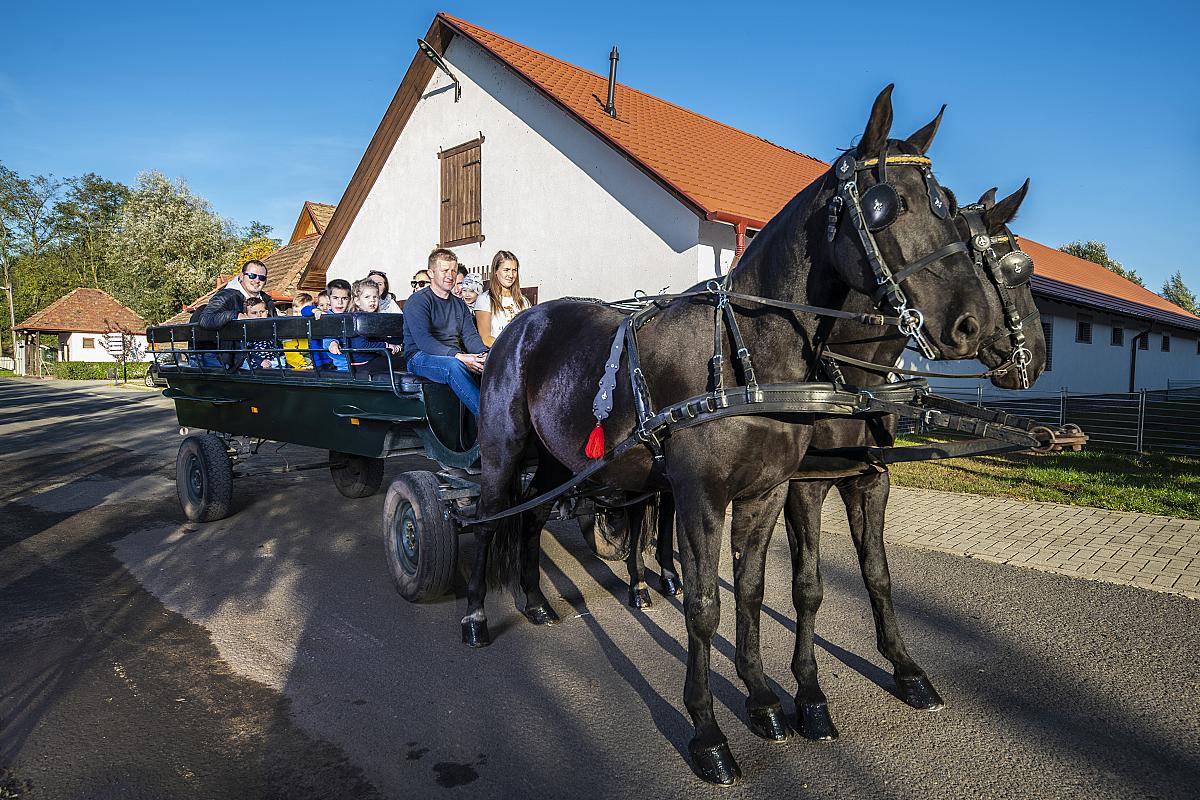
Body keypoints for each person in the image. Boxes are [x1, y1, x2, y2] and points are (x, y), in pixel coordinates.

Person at [402, 249, 488, 416]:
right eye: (444, 271)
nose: (450, 275)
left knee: (492, 362)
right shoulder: (418, 301)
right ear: (431, 273)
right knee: (453, 366)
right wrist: (458, 356)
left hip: (452, 354)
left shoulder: (459, 304)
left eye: (453, 270)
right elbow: (424, 341)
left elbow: (470, 336)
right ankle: (490, 421)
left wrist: (485, 355)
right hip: (420, 357)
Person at [344, 278, 403, 376]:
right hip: (363, 363)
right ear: (357, 301)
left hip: (369, 360)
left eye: (375, 297)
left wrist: (397, 343)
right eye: (367, 297)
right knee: (406, 361)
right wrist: (387, 345)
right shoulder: (359, 318)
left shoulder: (370, 318)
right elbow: (361, 346)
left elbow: (377, 338)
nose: (372, 300)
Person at [473, 250, 531, 346]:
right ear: (496, 271)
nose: (511, 275)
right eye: (506, 270)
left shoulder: (524, 301)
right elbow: (485, 338)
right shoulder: (485, 299)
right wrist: (510, 348)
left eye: (514, 270)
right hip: (499, 354)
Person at [197, 260, 278, 328]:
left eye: (262, 277)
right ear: (242, 276)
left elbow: (278, 329)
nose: (257, 280)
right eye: (252, 276)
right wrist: (235, 315)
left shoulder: (267, 301)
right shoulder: (226, 296)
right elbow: (205, 319)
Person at [303, 279, 352, 371]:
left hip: (350, 359)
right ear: (329, 299)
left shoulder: (351, 315)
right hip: (335, 362)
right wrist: (315, 310)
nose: (340, 302)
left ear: (350, 299)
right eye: (335, 298)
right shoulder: (325, 315)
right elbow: (304, 310)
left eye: (344, 298)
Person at [240, 297, 283, 370]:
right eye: (254, 313)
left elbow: (279, 348)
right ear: (246, 315)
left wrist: (275, 361)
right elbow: (245, 352)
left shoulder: (272, 329)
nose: (259, 315)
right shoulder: (245, 332)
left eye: (262, 312)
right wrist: (260, 361)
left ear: (266, 312)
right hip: (254, 367)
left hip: (274, 364)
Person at [282, 292, 314, 370]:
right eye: (295, 312)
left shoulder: (314, 326)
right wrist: (303, 365)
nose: (298, 315)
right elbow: (290, 352)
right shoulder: (289, 329)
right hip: (298, 361)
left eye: (302, 312)